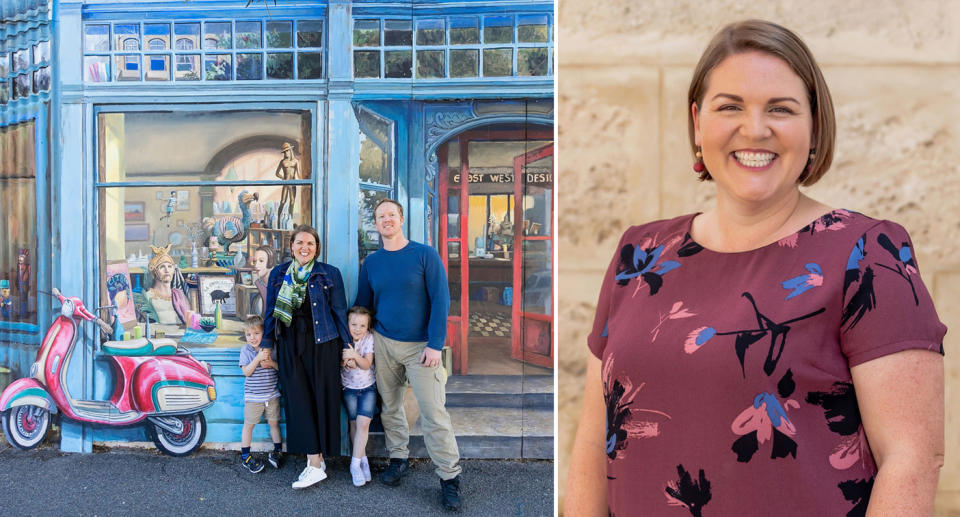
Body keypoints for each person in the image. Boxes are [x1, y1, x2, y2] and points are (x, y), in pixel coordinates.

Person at [565, 20, 946, 517]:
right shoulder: (640, 255)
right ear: (698, 123)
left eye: (781, 109)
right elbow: (595, 443)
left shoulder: (868, 254)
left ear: (813, 128)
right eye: (730, 107)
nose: (755, 128)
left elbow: (913, 460)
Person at [354, 198, 462, 511]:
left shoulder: (425, 255)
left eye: (391, 215)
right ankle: (398, 459)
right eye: (380, 216)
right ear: (375, 224)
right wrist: (360, 342)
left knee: (433, 412)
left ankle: (449, 477)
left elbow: (441, 300)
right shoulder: (372, 263)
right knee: (390, 407)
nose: (386, 220)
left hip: (422, 347)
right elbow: (364, 305)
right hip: (385, 343)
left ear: (401, 219)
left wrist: (434, 344)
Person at [260, 224, 352, 489]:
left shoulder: (329, 273)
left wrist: (347, 346)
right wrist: (267, 343)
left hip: (323, 343)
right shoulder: (278, 274)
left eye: (310, 244)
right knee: (298, 400)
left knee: (321, 400)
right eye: (300, 242)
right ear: (291, 247)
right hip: (289, 343)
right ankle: (315, 461)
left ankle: (316, 463)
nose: (305, 248)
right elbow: (270, 312)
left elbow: (339, 312)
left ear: (317, 248)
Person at [237, 315, 283, 473]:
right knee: (249, 426)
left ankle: (278, 451)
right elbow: (246, 372)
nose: (252, 338)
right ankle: (245, 456)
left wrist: (271, 363)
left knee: (274, 423)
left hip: (271, 395)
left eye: (256, 333)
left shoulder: (272, 349)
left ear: (264, 333)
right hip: (253, 398)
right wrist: (257, 359)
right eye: (248, 334)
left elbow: (280, 369)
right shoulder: (246, 351)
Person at [340, 306, 377, 487]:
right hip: (349, 389)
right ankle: (363, 461)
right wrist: (346, 362)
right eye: (353, 324)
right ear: (347, 324)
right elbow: (342, 362)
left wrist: (354, 355)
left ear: (368, 327)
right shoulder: (343, 340)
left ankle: (354, 465)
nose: (357, 329)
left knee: (363, 423)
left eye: (362, 325)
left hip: (367, 388)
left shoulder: (369, 339)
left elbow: (367, 363)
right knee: (354, 424)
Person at [138, 244, 197, 327]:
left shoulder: (179, 295)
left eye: (169, 266)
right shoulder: (147, 297)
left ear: (173, 270)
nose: (167, 270)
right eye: (162, 267)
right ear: (154, 272)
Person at [251, 245, 277, 315]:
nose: (256, 265)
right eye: (255, 261)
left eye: (261, 261)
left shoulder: (279, 283)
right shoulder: (259, 283)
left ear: (270, 262)